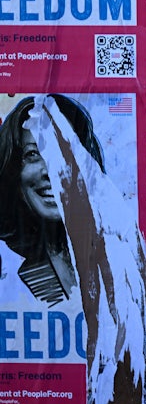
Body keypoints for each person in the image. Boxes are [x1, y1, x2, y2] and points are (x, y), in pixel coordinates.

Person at [0, 94, 105, 306]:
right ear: (14, 173)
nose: (50, 170)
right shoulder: (11, 272)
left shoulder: (115, 262)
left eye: (64, 151)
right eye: (32, 154)